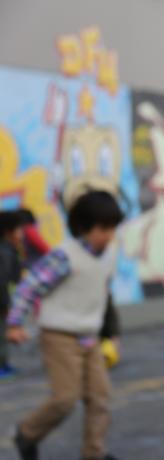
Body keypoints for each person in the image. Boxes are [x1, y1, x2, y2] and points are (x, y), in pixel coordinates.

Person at [7, 191, 124, 460]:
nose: (108, 235)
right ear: (83, 227)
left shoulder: (109, 255)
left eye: (112, 228)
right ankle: (26, 434)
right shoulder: (64, 256)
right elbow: (29, 287)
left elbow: (104, 296)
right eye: (102, 228)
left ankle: (94, 453)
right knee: (65, 398)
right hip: (59, 336)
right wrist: (15, 324)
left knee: (99, 397)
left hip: (90, 336)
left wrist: (112, 332)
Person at [0, 210, 22, 380]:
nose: (21, 234)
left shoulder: (9, 250)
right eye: (18, 229)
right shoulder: (5, 253)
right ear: (8, 232)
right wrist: (5, 305)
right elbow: (2, 282)